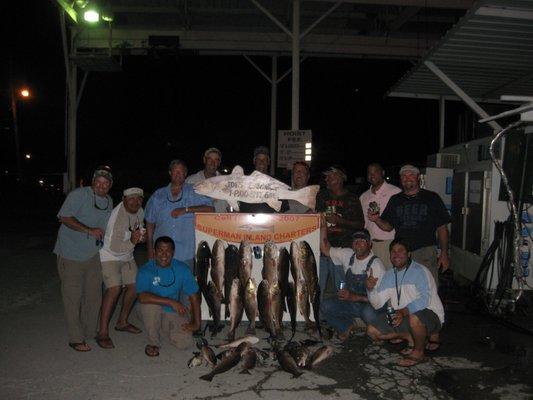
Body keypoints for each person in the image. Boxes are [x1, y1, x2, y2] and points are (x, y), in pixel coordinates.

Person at [54, 166, 113, 352]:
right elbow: (63, 218)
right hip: (70, 254)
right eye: (99, 181)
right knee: (73, 297)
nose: (102, 185)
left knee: (94, 296)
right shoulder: (78, 195)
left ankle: (90, 331)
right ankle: (75, 337)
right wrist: (89, 230)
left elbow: (107, 229)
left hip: (93, 255)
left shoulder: (109, 201)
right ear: (93, 181)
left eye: (106, 183)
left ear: (110, 185)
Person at [366, 238, 444, 367]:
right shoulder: (389, 275)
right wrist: (370, 289)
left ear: (408, 254)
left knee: (414, 318)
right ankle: (410, 337)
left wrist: (403, 312)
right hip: (402, 316)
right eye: (393, 252)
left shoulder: (420, 271)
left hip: (429, 315)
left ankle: (418, 353)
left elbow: (425, 300)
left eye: (400, 251)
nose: (396, 254)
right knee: (371, 331)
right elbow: (377, 303)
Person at [368, 164, 450, 284]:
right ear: (401, 179)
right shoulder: (395, 200)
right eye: (404, 176)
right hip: (401, 253)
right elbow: (388, 227)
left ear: (417, 177)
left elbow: (442, 228)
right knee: (402, 287)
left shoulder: (432, 197)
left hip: (424, 252)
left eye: (411, 174)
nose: (407, 178)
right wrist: (376, 219)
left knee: (427, 288)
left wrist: (444, 253)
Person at [95, 187, 146, 349]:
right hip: (109, 254)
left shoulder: (140, 211)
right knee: (114, 289)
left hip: (127, 254)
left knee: (135, 286)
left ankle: (122, 322)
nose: (135, 202)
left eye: (138, 199)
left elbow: (139, 230)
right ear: (123, 200)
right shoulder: (118, 216)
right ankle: (102, 332)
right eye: (131, 198)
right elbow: (115, 246)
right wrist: (133, 241)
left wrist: (140, 238)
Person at [319, 220, 386, 341]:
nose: (358, 244)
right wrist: (323, 227)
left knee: (368, 314)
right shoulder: (348, 254)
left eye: (362, 240)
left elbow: (381, 301)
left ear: (370, 244)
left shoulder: (376, 265)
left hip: (370, 304)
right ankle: (347, 327)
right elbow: (325, 249)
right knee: (324, 306)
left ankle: (379, 330)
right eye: (355, 241)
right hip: (351, 303)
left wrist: (355, 297)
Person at [136, 236, 201, 357]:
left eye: (168, 251)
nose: (164, 255)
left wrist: (197, 323)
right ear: (154, 251)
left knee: (185, 343)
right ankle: (153, 342)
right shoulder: (145, 270)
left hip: (171, 311)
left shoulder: (182, 269)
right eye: (160, 250)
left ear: (173, 252)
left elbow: (194, 296)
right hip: (149, 308)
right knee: (151, 307)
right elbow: (142, 297)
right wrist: (171, 302)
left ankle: (159, 326)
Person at [145, 159, 214, 270]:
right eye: (175, 171)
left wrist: (186, 209)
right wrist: (149, 249)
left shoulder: (195, 191)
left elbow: (211, 209)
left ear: (185, 174)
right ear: (170, 173)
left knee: (184, 285)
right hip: (161, 254)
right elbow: (149, 222)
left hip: (185, 254)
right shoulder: (158, 195)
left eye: (181, 171)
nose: (178, 174)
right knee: (161, 285)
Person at [316, 165, 365, 297]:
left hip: (343, 250)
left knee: (342, 287)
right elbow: (316, 217)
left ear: (340, 178)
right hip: (323, 249)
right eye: (326, 177)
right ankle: (317, 316)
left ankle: (343, 315)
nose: (327, 179)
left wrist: (340, 221)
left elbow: (360, 224)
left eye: (331, 176)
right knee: (317, 289)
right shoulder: (322, 195)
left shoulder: (352, 198)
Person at [359, 163, 401, 269]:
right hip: (370, 244)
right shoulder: (364, 196)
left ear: (382, 173)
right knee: (372, 278)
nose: (372, 175)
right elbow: (363, 223)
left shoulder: (395, 192)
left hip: (388, 243)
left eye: (375, 172)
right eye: (369, 173)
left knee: (389, 277)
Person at [239, 146, 288, 213]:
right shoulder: (244, 182)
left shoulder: (277, 183)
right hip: (247, 222)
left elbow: (283, 209)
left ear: (268, 162)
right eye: (258, 159)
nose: (261, 162)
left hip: (271, 222)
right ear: (254, 161)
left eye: (264, 159)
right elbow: (237, 206)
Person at [185, 147, 228, 213]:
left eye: (216, 160)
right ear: (204, 160)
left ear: (219, 163)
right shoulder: (191, 181)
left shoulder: (226, 182)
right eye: (209, 159)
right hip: (197, 222)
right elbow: (184, 204)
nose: (212, 163)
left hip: (221, 221)